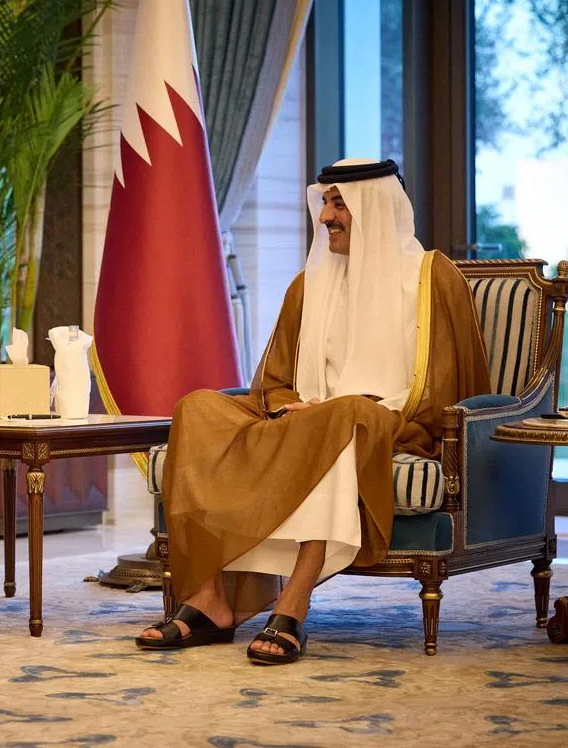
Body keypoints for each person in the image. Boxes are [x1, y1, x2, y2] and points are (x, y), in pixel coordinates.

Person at [137, 158, 490, 664]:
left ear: (377, 208)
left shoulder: (432, 277)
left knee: (345, 417)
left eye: (339, 203)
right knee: (196, 409)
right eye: (324, 202)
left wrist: (340, 410)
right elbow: (273, 382)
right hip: (306, 418)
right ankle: (207, 599)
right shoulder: (308, 285)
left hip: (389, 422)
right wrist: (290, 408)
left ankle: (293, 604)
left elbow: (448, 386)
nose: (325, 217)